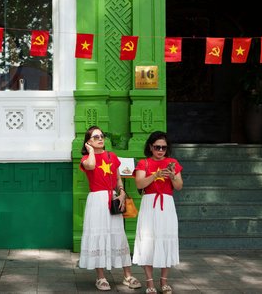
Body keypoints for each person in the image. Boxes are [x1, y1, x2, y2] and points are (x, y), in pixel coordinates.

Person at [78, 125, 142, 291]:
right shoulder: (86, 159)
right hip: (97, 201)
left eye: (102, 136)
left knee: (118, 235)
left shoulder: (112, 156)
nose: (100, 139)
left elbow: (118, 179)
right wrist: (90, 151)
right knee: (98, 235)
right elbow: (91, 166)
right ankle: (100, 277)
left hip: (112, 198)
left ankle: (127, 275)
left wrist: (121, 193)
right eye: (96, 137)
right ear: (88, 142)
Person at [133, 131, 183, 294]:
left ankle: (164, 282)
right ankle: (149, 283)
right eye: (157, 147)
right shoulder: (144, 163)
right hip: (150, 204)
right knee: (148, 241)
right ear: (150, 147)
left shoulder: (172, 162)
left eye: (163, 147)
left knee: (166, 239)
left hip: (167, 205)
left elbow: (179, 186)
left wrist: (173, 176)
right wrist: (156, 175)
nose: (160, 150)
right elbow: (140, 184)